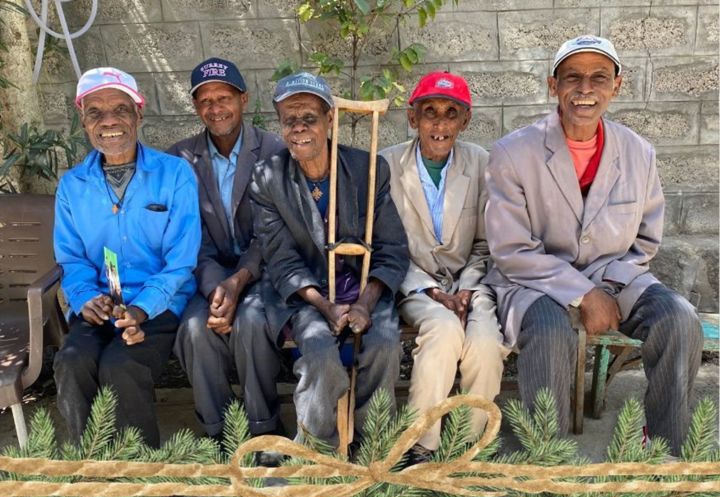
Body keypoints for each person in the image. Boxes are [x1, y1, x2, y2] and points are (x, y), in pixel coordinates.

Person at [484, 35, 702, 454]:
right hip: (535, 281)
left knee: (680, 320)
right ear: (553, 85)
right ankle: (549, 461)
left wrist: (605, 288)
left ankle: (664, 450)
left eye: (599, 78)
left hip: (615, 275)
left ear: (617, 85)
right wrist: (584, 294)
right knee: (550, 334)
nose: (585, 89)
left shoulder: (639, 153)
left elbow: (644, 241)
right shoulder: (513, 153)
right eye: (573, 78)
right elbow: (511, 250)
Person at [249, 72, 409, 448]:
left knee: (385, 345)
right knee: (320, 353)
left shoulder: (367, 169)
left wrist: (366, 304)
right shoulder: (267, 178)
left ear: (329, 120)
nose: (299, 128)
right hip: (308, 292)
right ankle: (318, 447)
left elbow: (392, 247)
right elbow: (280, 257)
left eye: (309, 118)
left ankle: (371, 443)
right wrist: (325, 306)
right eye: (290, 120)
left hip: (363, 284)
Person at [53, 67, 201, 447]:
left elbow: (181, 261)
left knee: (121, 365)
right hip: (102, 303)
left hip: (159, 304)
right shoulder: (72, 185)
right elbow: (71, 260)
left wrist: (141, 310)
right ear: (83, 121)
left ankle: (144, 481)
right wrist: (86, 299)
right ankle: (91, 471)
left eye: (120, 109)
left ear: (139, 114)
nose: (109, 121)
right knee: (72, 361)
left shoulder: (174, 174)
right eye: (95, 112)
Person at [380, 72, 507, 464]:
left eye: (451, 113)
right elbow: (384, 245)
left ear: (464, 121)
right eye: (429, 112)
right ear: (413, 118)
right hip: (415, 282)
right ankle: (421, 442)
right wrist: (429, 290)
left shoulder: (481, 163)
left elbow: (487, 242)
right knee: (443, 330)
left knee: (485, 343)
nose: (439, 123)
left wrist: (467, 288)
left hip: (472, 282)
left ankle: (469, 446)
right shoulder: (386, 164)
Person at [167, 58, 286, 440]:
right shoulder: (181, 159)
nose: (215, 108)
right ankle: (218, 432)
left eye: (224, 98)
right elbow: (188, 234)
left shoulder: (275, 151)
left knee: (252, 323)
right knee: (194, 329)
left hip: (263, 271)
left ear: (244, 99)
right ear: (196, 107)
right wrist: (218, 288)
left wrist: (238, 283)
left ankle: (264, 430)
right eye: (205, 100)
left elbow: (273, 231)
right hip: (208, 274)